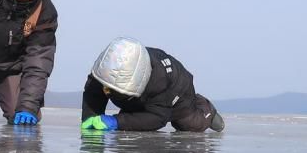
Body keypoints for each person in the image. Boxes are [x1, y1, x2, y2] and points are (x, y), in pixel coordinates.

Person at [80, 37, 226, 133]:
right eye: (106, 87)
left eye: (110, 89)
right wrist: (90, 119)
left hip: (177, 91)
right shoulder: (106, 68)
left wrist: (116, 121)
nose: (106, 91)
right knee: (128, 131)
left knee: (187, 124)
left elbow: (158, 118)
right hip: (137, 95)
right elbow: (93, 93)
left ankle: (207, 110)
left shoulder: (160, 81)